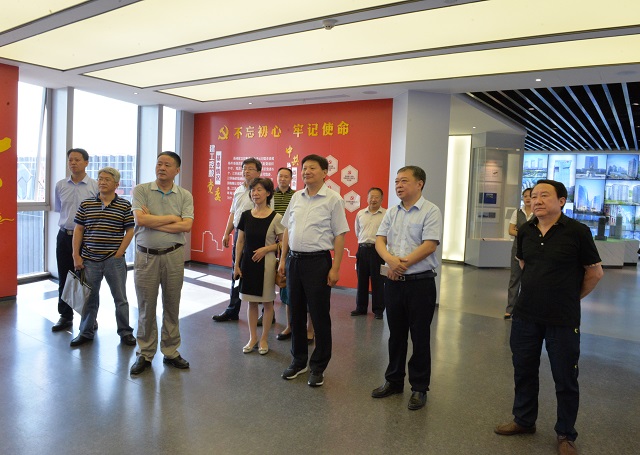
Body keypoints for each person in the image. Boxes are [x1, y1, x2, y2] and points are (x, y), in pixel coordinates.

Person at [495, 179, 603, 455]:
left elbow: (594, 273)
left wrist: (569, 297)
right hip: (525, 316)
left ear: (562, 201)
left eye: (545, 195)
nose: (537, 200)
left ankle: (566, 433)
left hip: (562, 319)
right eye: (534, 196)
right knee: (524, 370)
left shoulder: (577, 232)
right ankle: (523, 420)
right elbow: (524, 265)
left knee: (565, 377)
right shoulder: (525, 231)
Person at [371, 166, 442, 411]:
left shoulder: (431, 210)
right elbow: (380, 240)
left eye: (404, 181)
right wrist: (390, 261)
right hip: (394, 283)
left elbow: (430, 245)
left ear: (419, 184)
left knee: (420, 336)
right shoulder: (392, 212)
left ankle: (419, 387)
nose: (398, 186)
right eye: (396, 182)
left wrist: (401, 264)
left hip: (420, 283)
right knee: (396, 335)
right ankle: (393, 381)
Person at [279, 154, 349, 387]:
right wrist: (282, 260)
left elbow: (339, 235)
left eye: (312, 168)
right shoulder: (296, 197)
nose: (306, 172)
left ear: (324, 173)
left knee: (319, 315)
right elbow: (287, 229)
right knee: (295, 312)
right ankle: (298, 361)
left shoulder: (333, 199)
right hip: (294, 261)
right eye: (304, 168)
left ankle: (318, 366)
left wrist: (335, 268)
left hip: (318, 262)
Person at [129, 152, 194, 375]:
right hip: (146, 256)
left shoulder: (184, 195)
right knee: (146, 306)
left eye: (167, 165)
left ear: (177, 170)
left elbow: (186, 226)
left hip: (173, 255)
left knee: (172, 304)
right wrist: (173, 219)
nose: (162, 168)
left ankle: (171, 351)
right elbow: (140, 219)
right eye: (159, 164)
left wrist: (153, 221)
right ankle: (145, 353)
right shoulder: (141, 190)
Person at [69, 167, 136, 347]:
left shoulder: (124, 205)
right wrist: (76, 255)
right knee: (89, 298)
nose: (102, 182)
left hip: (114, 260)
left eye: (107, 179)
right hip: (89, 260)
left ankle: (125, 332)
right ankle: (85, 332)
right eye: (100, 179)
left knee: (120, 299)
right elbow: (79, 229)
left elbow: (130, 230)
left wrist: (119, 252)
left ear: (116, 184)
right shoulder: (86, 204)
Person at [234, 178, 284, 355]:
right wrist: (236, 264)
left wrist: (267, 249)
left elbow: (284, 243)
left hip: (267, 264)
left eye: (259, 190)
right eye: (253, 190)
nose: (255, 193)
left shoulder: (276, 217)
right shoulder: (246, 215)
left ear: (268, 193)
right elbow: (240, 241)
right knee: (251, 302)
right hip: (248, 263)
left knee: (267, 302)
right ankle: (252, 337)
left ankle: (263, 339)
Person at [52, 148, 98, 332]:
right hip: (65, 236)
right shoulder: (60, 185)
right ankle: (65, 316)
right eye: (70, 160)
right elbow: (59, 209)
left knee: (88, 279)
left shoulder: (95, 186)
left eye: (77, 160)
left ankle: (89, 317)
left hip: (88, 238)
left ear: (86, 162)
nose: (73, 163)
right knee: (64, 277)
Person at [212, 158, 263, 322]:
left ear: (259, 172)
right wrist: (226, 233)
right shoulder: (239, 190)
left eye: (250, 168)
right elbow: (233, 213)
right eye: (244, 168)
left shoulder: (262, 191)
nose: (246, 171)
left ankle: (267, 313)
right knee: (236, 271)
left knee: (259, 274)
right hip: (238, 235)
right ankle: (232, 310)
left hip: (256, 237)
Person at [271, 167, 314, 342]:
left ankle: (309, 329)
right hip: (281, 247)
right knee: (287, 290)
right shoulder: (273, 196)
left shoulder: (298, 196)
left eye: (286, 176)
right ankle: (289, 326)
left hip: (308, 253)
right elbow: (284, 225)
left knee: (309, 294)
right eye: (280, 176)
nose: (283, 179)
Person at [351, 187, 386, 319]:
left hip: (378, 251)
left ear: (381, 199)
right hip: (362, 250)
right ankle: (361, 308)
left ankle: (378, 310)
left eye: (377, 197)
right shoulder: (360, 214)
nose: (373, 199)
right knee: (362, 280)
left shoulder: (386, 214)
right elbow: (357, 231)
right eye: (371, 196)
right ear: (367, 198)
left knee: (378, 281)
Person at [505, 188, 533, 319]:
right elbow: (510, 230)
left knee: (531, 280)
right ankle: (510, 309)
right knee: (514, 279)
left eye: (530, 196)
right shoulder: (517, 212)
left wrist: (520, 232)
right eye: (525, 196)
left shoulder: (538, 213)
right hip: (517, 249)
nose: (527, 198)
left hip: (533, 251)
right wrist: (527, 234)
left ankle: (527, 309)